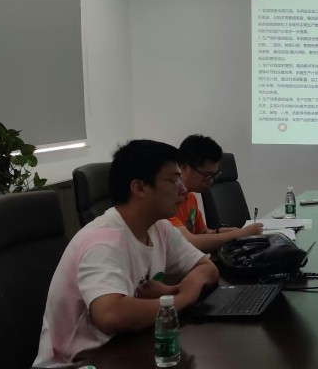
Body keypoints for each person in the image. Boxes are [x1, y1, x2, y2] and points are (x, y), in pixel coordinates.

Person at [33, 140, 219, 367]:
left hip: (125, 348)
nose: (183, 189)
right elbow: (111, 315)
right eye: (173, 180)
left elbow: (207, 268)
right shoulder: (103, 241)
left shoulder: (159, 228)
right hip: (78, 363)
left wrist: (175, 291)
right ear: (139, 187)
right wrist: (177, 300)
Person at [169, 134, 263, 253]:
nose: (211, 181)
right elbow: (189, 242)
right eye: (207, 175)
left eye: (214, 175)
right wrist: (243, 233)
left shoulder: (191, 197)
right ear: (184, 167)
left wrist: (223, 231)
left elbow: (203, 233)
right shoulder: (166, 203)